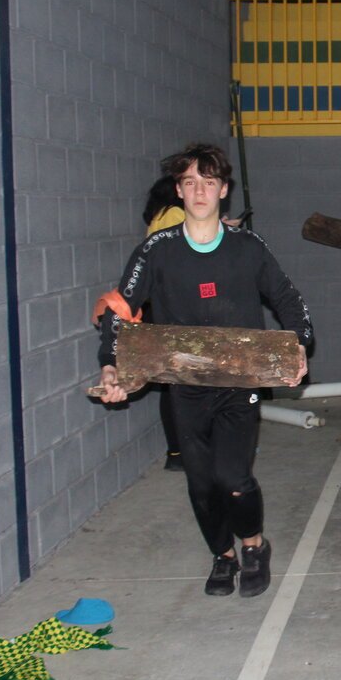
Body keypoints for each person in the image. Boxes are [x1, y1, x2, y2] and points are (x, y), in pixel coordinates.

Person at [96, 143, 312, 599]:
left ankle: (253, 546)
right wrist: (111, 366)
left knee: (232, 478)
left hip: (239, 385)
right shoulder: (156, 251)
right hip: (186, 388)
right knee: (201, 484)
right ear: (178, 190)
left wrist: (297, 345)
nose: (199, 191)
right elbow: (119, 309)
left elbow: (289, 300)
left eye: (208, 182)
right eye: (190, 182)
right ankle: (223, 555)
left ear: (223, 190)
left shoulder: (247, 248)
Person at [141, 173, 186, 471]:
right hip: (172, 308)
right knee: (181, 384)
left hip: (158, 308)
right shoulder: (174, 214)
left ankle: (176, 453)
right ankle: (182, 451)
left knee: (173, 384)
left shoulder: (157, 218)